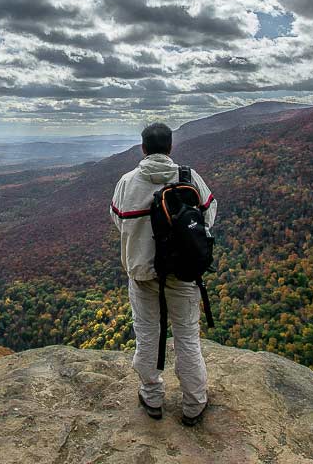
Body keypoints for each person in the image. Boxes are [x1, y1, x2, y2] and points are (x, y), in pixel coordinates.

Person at [110, 122, 217, 426]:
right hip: (184, 274)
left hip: (144, 274)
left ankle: (152, 397)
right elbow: (208, 215)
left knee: (147, 335)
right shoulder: (189, 177)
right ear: (170, 147)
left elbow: (119, 221)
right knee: (186, 337)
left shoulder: (128, 182)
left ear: (143, 148)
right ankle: (194, 404)